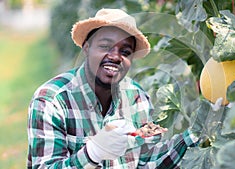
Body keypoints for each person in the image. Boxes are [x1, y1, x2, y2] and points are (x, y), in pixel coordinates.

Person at [27, 8, 200, 169]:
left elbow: (148, 162)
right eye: (105, 46)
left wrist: (195, 133)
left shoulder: (137, 98)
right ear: (87, 48)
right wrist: (92, 153)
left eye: (125, 52)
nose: (115, 56)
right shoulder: (51, 100)